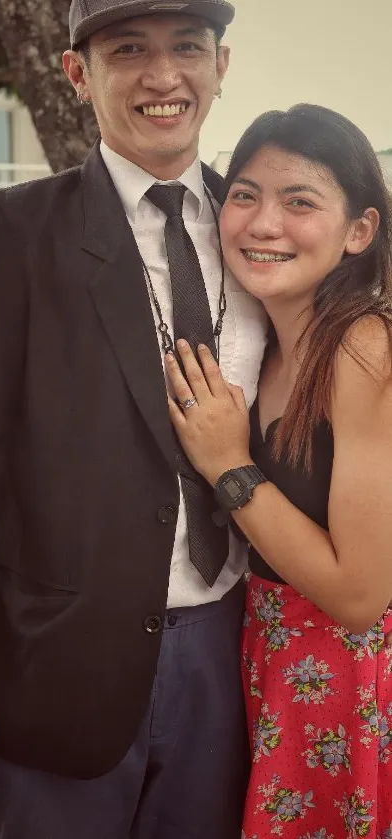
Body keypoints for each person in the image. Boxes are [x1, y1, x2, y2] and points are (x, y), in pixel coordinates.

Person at [0, 1, 268, 837]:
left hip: (229, 654)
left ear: (220, 66)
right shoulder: (8, 236)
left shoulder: (267, 233)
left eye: (187, 47)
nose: (162, 75)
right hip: (53, 666)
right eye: (128, 50)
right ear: (79, 74)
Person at [165, 103, 392, 838]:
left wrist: (229, 464)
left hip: (345, 684)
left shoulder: (364, 348)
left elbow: (359, 594)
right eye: (244, 194)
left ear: (359, 230)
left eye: (299, 201)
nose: (263, 224)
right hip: (260, 660)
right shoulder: (260, 342)